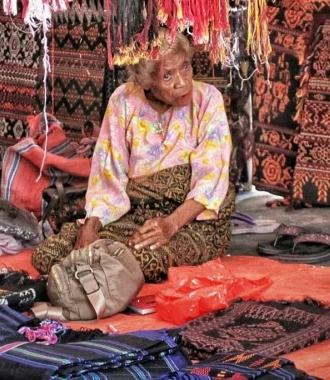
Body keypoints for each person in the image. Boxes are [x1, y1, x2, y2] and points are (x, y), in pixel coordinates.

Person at [32, 32, 235, 282]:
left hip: (192, 220)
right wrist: (90, 227)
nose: (183, 82)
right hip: (135, 212)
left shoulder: (208, 100)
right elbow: (108, 175)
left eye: (186, 67)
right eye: (168, 76)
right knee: (49, 255)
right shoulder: (124, 100)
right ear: (146, 81)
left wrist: (169, 225)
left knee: (130, 262)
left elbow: (211, 178)